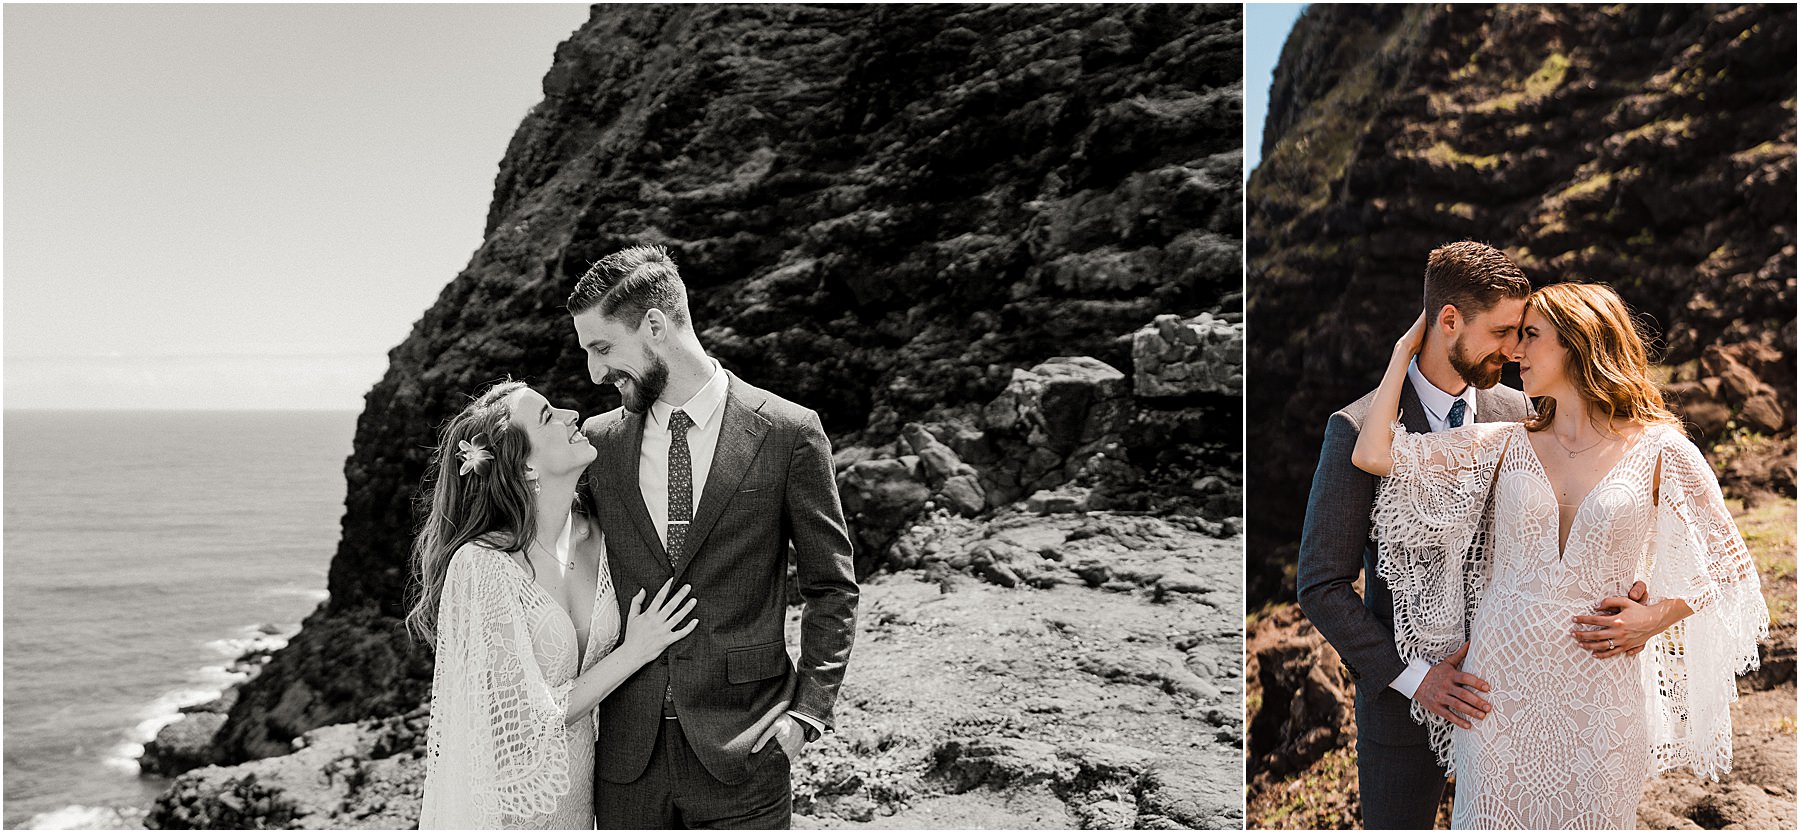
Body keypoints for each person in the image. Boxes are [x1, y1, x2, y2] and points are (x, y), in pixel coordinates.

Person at [1351, 283, 1767, 828]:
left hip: (1602, 692)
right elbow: (1374, 452)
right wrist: (1405, 352)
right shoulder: (1501, 443)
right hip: (1500, 693)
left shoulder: (1661, 449)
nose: (1515, 351)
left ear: (1578, 343)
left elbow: (1731, 566)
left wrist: (1654, 617)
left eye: (1530, 335)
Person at [569, 245, 859, 829]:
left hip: (747, 749)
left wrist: (807, 716)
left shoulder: (788, 432)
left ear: (655, 325)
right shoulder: (594, 445)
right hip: (627, 761)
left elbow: (832, 587)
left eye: (603, 348)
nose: (597, 373)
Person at [1296, 241, 1540, 828]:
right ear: (1449, 319)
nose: (1513, 350)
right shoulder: (1355, 429)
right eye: (1503, 331)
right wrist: (1416, 680)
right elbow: (1321, 583)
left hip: (1514, 690)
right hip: (1400, 708)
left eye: (1520, 332)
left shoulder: (1520, 411)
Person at [408, 380, 700, 828]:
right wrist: (637, 650)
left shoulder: (605, 536)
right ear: (523, 465)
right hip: (511, 809)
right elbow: (529, 721)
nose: (571, 415)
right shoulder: (482, 566)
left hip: (586, 798)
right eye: (547, 415)